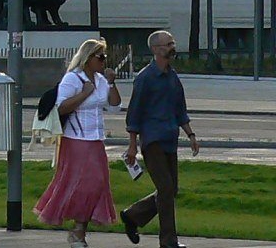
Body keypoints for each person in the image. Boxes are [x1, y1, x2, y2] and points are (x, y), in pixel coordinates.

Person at [34, 39, 122, 247]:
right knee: (80, 183)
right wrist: (84, 93)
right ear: (88, 58)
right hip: (76, 139)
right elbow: (61, 108)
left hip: (96, 139)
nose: (104, 61)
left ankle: (79, 229)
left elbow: (115, 107)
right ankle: (77, 231)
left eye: (105, 57)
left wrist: (111, 83)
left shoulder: (100, 80)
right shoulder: (73, 79)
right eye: (100, 57)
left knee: (98, 183)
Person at [120, 30, 198, 248]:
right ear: (155, 49)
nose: (172, 47)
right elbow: (134, 115)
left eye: (173, 43)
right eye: (167, 44)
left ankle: (132, 216)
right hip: (152, 140)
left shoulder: (173, 77)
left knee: (171, 189)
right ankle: (168, 242)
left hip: (169, 139)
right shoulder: (145, 78)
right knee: (165, 188)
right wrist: (132, 146)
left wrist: (190, 135)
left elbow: (180, 110)